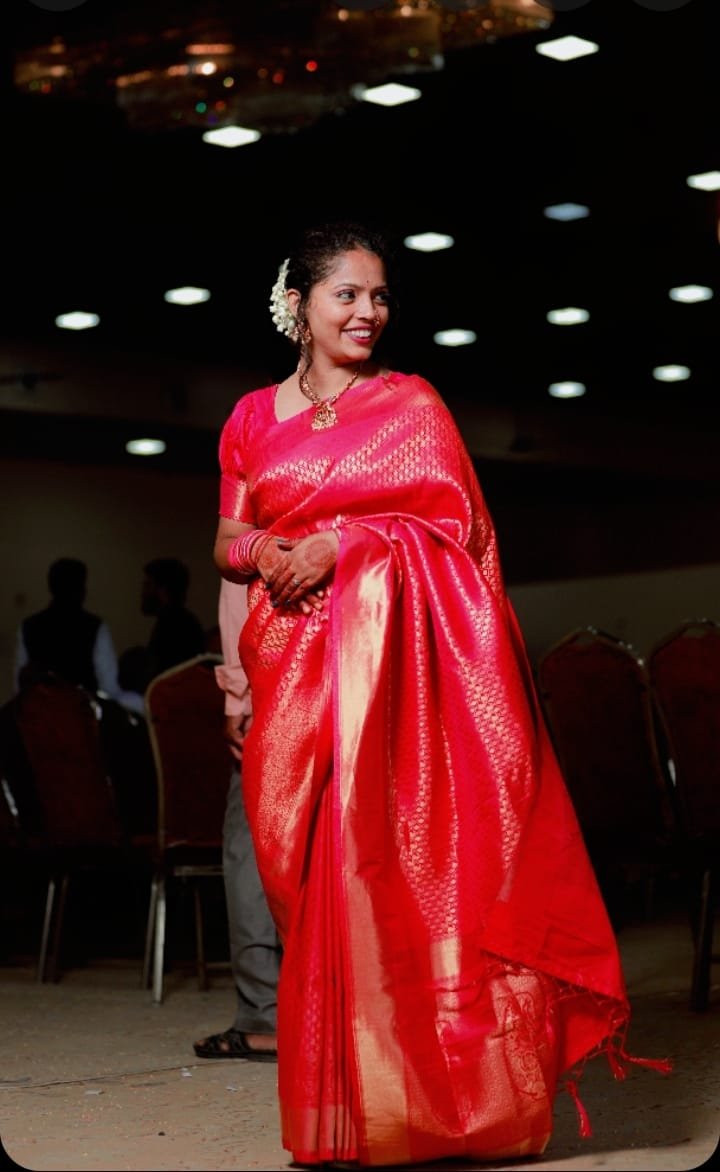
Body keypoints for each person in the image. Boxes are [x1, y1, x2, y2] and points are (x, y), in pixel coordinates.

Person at [212, 221, 670, 1167]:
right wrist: (240, 659)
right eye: (348, 294)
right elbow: (227, 548)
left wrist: (348, 545)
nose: (369, 312)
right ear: (298, 303)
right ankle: (353, 1113)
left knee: (407, 877)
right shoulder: (251, 417)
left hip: (404, 681)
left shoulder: (413, 404)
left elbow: (461, 538)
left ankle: (459, 1107)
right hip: (292, 674)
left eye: (380, 295)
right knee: (313, 890)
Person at [192, 577, 281, 1062]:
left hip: (277, 683)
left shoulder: (252, 527)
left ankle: (266, 1019)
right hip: (355, 675)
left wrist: (238, 698)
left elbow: (236, 593)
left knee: (249, 847)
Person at [14, 557, 141, 712]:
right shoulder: (95, 627)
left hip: (40, 717)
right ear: (81, 588)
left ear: (51, 587)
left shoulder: (28, 626)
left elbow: (19, 685)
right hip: (82, 717)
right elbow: (109, 687)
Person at [139, 556, 206, 685]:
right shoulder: (182, 621)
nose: (143, 592)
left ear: (162, 589)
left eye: (148, 585)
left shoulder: (173, 626)